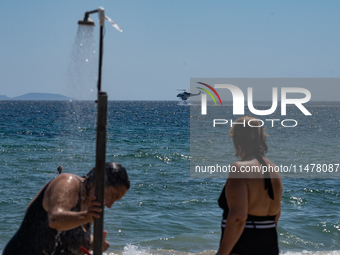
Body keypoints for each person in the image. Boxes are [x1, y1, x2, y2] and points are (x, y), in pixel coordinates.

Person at [3, 162, 130, 255]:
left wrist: (95, 243)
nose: (110, 205)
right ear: (100, 181)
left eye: (116, 200)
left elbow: (74, 236)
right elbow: (54, 219)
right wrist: (85, 216)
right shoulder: (69, 183)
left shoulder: (90, 205)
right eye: (112, 196)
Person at [216, 116, 282, 255]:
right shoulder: (273, 169)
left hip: (244, 244)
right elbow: (276, 214)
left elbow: (239, 218)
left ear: (237, 139)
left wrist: (222, 253)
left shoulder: (239, 168)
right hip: (269, 244)